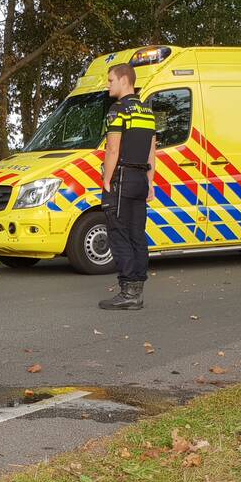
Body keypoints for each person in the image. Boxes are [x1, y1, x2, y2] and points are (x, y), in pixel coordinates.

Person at [98, 63, 156, 310]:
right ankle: (137, 291)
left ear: (124, 80)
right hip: (141, 179)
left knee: (118, 233)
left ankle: (128, 291)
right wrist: (150, 183)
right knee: (137, 234)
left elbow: (112, 148)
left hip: (122, 178)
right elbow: (152, 151)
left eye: (111, 80)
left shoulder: (118, 109)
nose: (108, 84)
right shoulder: (147, 111)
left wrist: (106, 179)